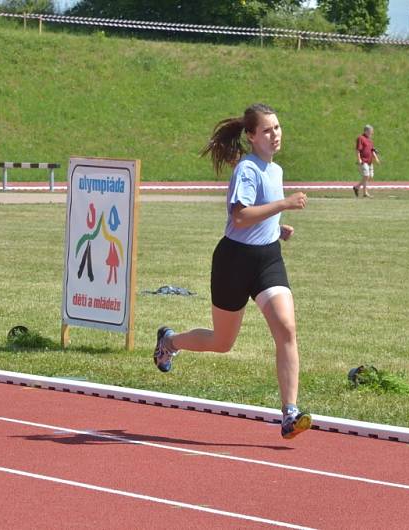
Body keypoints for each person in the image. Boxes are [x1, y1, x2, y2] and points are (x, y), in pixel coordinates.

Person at [153, 103, 312, 440]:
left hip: (267, 259)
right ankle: (169, 341)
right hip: (233, 261)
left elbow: (260, 214)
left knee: (286, 328)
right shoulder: (247, 170)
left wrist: (278, 226)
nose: (275, 134)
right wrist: (283, 205)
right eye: (267, 130)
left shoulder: (276, 171)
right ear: (252, 136)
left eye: (278, 128)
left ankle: (289, 413)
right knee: (223, 342)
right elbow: (240, 216)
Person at [352, 124, 381, 198]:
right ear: (366, 131)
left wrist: (376, 158)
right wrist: (359, 159)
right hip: (363, 160)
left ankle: (361, 190)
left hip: (369, 161)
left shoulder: (370, 140)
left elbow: (372, 150)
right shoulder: (360, 138)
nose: (372, 133)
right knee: (366, 175)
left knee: (370, 176)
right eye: (370, 132)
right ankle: (358, 188)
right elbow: (358, 150)